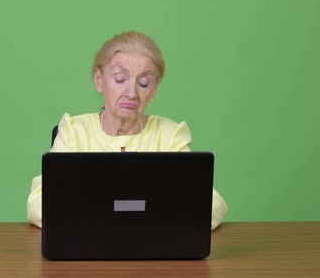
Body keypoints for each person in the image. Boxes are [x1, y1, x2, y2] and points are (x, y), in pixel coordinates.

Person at [27, 30, 228, 230]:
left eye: (143, 83)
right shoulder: (74, 131)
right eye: (120, 79)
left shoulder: (169, 136)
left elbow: (211, 206)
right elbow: (39, 203)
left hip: (154, 249)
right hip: (87, 250)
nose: (131, 93)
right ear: (99, 80)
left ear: (154, 89)